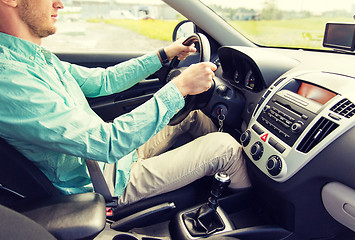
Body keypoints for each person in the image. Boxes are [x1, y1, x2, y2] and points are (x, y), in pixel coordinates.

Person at [0, 0, 251, 206]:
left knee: (191, 115)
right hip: (101, 180)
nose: (60, 4)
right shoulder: (9, 78)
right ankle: (254, 213)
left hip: (112, 159)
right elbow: (107, 142)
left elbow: (104, 81)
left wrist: (164, 55)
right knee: (225, 148)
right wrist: (180, 87)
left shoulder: (35, 59)